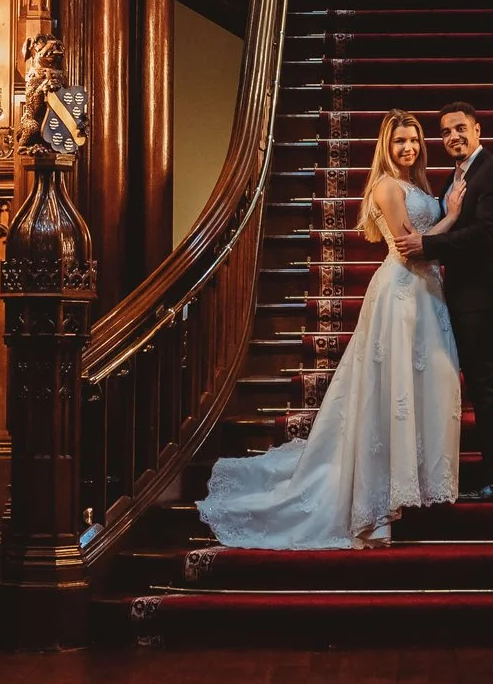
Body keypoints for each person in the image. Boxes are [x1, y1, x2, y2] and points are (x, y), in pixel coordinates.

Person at [196, 111, 465, 548]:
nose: (408, 147)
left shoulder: (418, 186)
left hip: (427, 297)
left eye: (413, 140)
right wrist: (451, 216)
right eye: (399, 141)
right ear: (385, 145)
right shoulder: (386, 186)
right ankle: (376, 505)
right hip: (401, 294)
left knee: (418, 390)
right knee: (390, 395)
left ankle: (405, 488)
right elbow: (408, 246)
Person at [396, 102, 493, 502]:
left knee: (489, 387)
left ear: (478, 129)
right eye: (446, 132)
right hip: (462, 298)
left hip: (485, 298)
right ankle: (488, 473)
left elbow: (485, 234)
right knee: (479, 388)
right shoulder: (458, 176)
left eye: (460, 128)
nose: (453, 137)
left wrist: (427, 245)